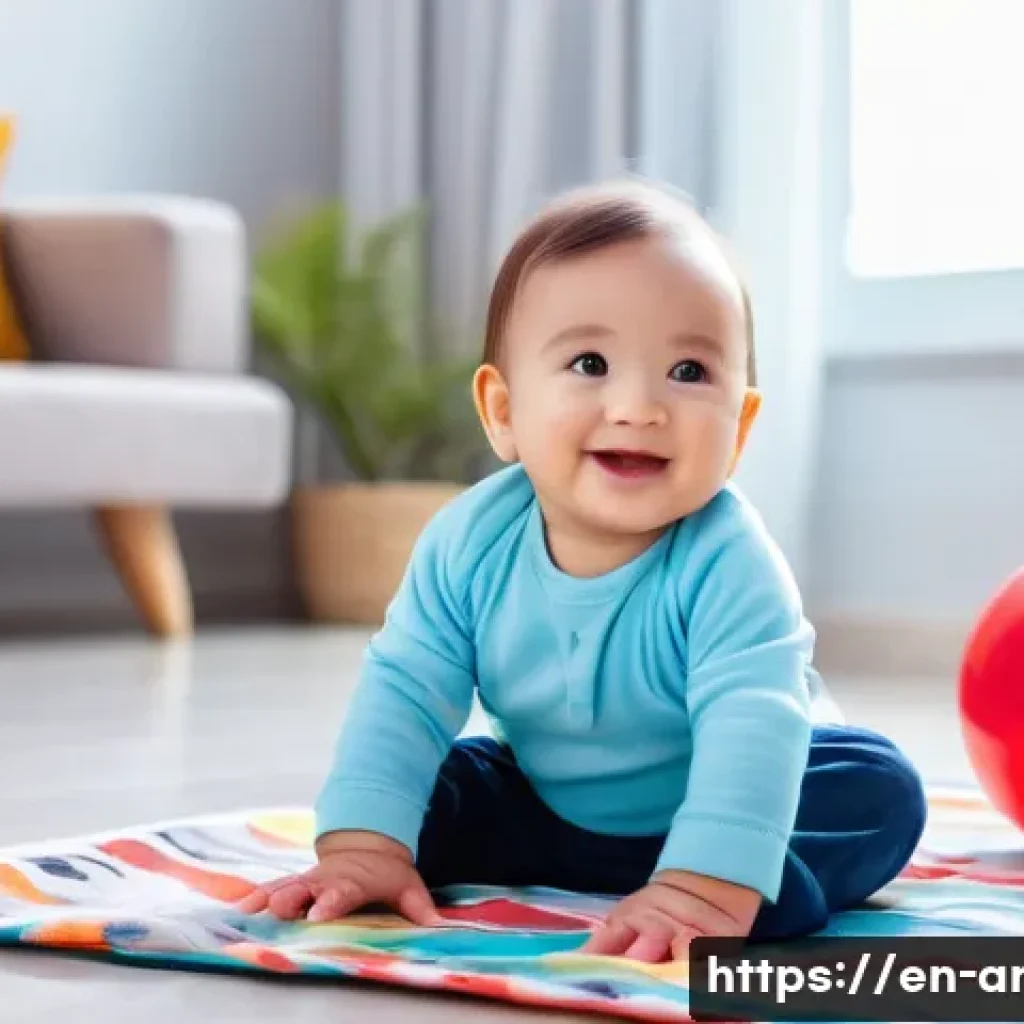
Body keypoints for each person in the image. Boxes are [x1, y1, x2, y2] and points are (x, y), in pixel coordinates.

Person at [238, 179, 926, 962]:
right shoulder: (468, 543)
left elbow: (753, 722)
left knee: (878, 790)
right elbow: (406, 691)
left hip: (739, 795)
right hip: (546, 807)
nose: (638, 406)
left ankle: (720, 885)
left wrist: (706, 881)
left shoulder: (731, 561)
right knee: (439, 780)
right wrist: (364, 844)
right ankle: (428, 866)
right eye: (590, 362)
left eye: (689, 372)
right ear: (503, 412)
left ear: (739, 428)